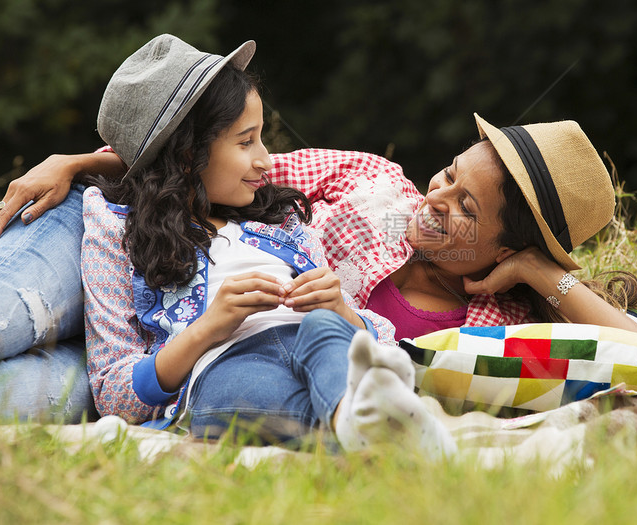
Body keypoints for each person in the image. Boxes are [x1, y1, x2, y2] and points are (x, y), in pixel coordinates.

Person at [0, 39, 637, 424]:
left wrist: (540, 273)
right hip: (126, 238)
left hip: (154, 365)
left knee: (5, 403)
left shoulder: (487, 325)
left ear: (508, 247)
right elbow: (214, 161)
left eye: (467, 208)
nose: (435, 196)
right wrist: (81, 161)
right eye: (448, 172)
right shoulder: (374, 181)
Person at [76, 33, 456, 455]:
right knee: (242, 390)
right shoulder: (116, 228)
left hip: (317, 339)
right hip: (220, 365)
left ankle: (357, 419)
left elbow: (380, 336)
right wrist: (208, 329)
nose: (266, 160)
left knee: (323, 329)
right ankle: (368, 426)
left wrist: (343, 310)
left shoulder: (281, 219)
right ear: (187, 154)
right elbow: (112, 392)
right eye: (246, 141)